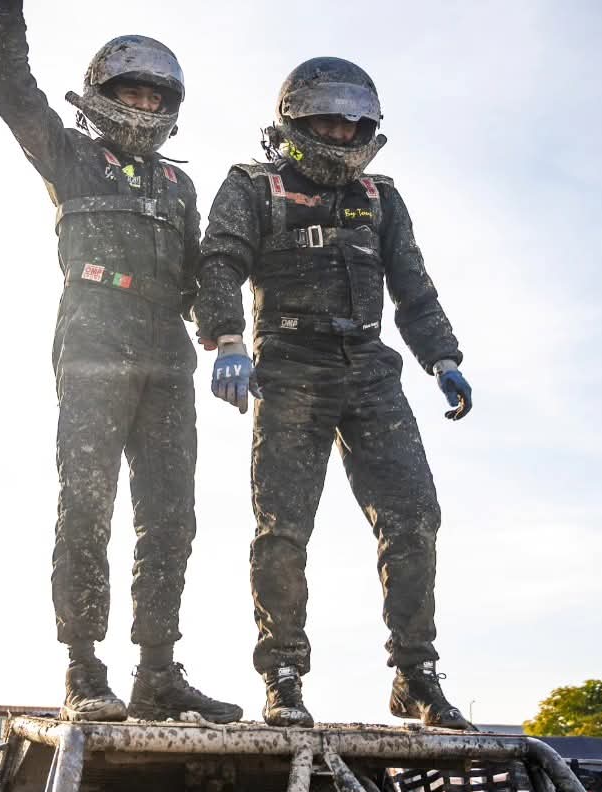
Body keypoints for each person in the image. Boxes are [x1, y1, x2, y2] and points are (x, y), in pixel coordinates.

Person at [0, 0, 240, 724]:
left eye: (158, 100)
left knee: (171, 515)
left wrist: (228, 337)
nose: (146, 108)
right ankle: (84, 669)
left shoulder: (179, 184)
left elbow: (201, 273)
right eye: (133, 93)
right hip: (95, 335)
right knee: (87, 502)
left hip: (167, 348)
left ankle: (158, 674)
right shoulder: (67, 155)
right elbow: (9, 88)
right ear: (102, 94)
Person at [195, 56, 476, 730]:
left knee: (415, 517)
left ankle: (415, 675)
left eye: (355, 124)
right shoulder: (254, 186)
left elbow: (413, 286)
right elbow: (219, 262)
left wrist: (443, 357)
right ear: (295, 121)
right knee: (283, 527)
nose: (343, 133)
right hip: (291, 365)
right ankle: (283, 674)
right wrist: (227, 341)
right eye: (328, 120)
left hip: (370, 368)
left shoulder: (381, 198)